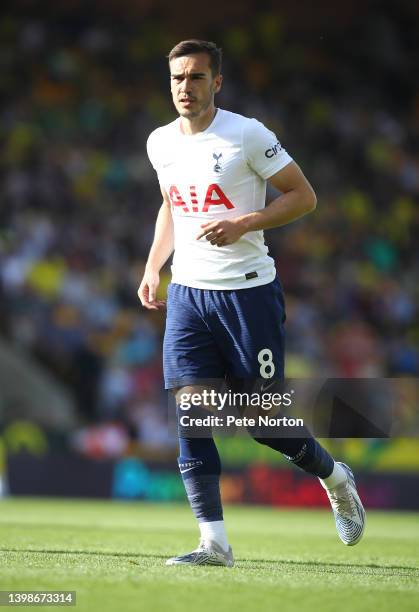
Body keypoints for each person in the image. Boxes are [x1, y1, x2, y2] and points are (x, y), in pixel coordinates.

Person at [138, 39, 365, 567]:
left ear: (216, 82)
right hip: (189, 295)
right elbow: (171, 205)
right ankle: (213, 544)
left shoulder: (246, 134)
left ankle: (334, 476)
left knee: (262, 421)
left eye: (196, 77)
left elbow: (302, 196)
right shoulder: (159, 143)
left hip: (247, 293)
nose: (184, 88)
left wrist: (245, 221)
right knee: (191, 413)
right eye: (177, 78)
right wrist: (154, 266)